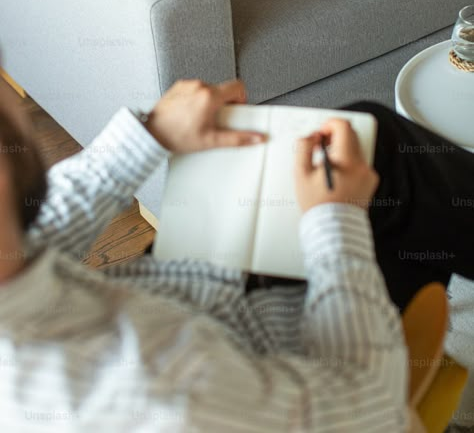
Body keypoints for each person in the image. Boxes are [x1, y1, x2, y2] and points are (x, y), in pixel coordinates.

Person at [1, 58, 474, 430]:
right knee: (383, 158)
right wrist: (336, 218)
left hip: (189, 297)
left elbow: (29, 232)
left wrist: (149, 135)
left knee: (354, 138)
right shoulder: (144, 388)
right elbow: (370, 410)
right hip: (296, 368)